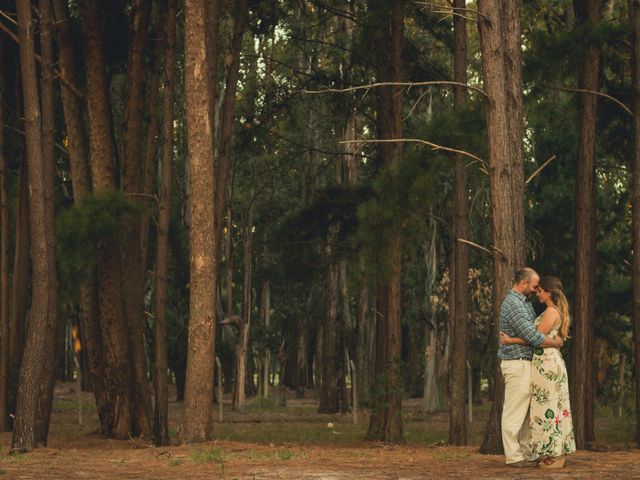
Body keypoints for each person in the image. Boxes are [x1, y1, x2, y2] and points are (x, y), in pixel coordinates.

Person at [500, 276, 576, 468]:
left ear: (549, 293)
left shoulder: (551, 312)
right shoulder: (549, 311)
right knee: (547, 408)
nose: (538, 293)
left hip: (548, 364)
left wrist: (511, 341)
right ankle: (551, 451)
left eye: (540, 290)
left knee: (550, 408)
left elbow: (534, 337)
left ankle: (555, 453)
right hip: (543, 363)